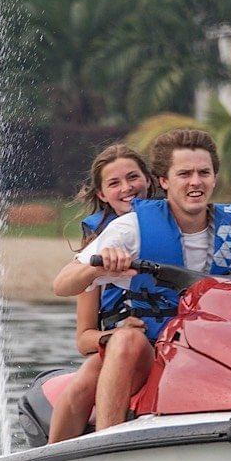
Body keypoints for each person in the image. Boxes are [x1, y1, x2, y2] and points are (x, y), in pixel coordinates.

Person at [52, 129, 231, 435]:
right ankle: (107, 443)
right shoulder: (130, 229)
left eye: (203, 173)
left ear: (214, 178)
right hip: (152, 349)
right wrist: (95, 267)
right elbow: (62, 285)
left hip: (217, 351)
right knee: (122, 342)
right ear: (164, 181)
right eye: (185, 173)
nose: (195, 181)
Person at [47, 144, 156, 445]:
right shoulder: (96, 252)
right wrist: (115, 336)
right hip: (118, 351)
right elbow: (84, 339)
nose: (127, 188)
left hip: (175, 345)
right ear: (102, 195)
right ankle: (50, 458)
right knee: (91, 372)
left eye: (133, 177)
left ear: (149, 180)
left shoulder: (174, 229)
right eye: (114, 183)